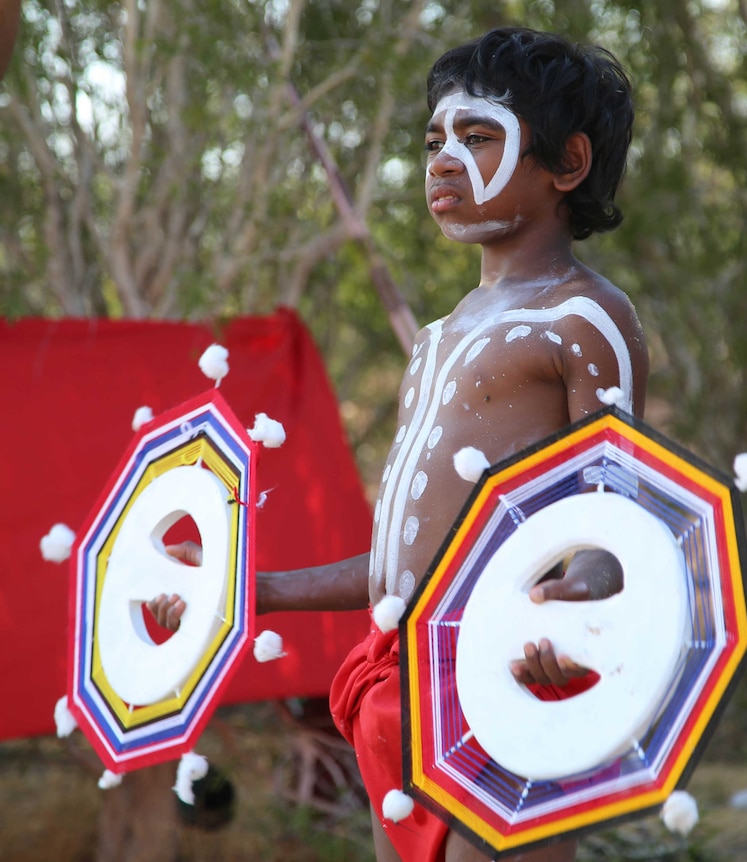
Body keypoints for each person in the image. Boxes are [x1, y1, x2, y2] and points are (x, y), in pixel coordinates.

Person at [149, 27, 647, 862]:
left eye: (478, 137)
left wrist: (576, 605)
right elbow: (400, 568)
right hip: (398, 683)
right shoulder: (435, 338)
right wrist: (253, 589)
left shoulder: (582, 317)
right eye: (433, 141)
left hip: (514, 680)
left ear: (567, 164)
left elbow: (619, 513)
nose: (443, 160)